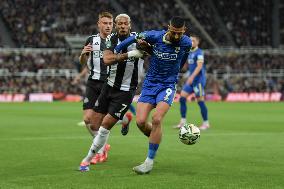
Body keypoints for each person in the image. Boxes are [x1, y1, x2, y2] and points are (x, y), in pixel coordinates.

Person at [114, 16, 192, 174]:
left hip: (167, 85)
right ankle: (155, 138)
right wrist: (118, 49)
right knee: (141, 122)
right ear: (168, 28)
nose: (177, 36)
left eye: (180, 33)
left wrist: (173, 70)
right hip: (150, 84)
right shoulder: (155, 36)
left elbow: (182, 59)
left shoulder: (186, 42)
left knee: (157, 119)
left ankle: (149, 162)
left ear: (184, 31)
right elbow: (134, 38)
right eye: (174, 32)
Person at [79, 13, 144, 172]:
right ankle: (124, 120)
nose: (109, 26)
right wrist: (82, 54)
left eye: (125, 23)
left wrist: (146, 48)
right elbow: (100, 61)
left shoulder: (138, 39)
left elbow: (150, 47)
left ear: (129, 25)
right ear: (99, 24)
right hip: (98, 82)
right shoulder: (102, 40)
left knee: (105, 124)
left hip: (124, 88)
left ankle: (95, 154)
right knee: (91, 122)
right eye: (106, 23)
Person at [174, 34, 209, 130]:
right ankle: (183, 121)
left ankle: (206, 123)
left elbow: (199, 66)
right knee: (182, 99)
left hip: (198, 81)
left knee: (200, 101)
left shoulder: (199, 52)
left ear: (198, 42)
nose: (191, 42)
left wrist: (191, 77)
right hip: (191, 80)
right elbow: (188, 65)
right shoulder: (189, 52)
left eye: (193, 40)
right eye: (190, 40)